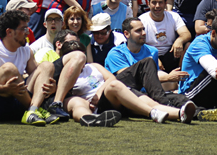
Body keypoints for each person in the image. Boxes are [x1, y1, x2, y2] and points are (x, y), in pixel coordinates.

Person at [57, 39, 195, 126]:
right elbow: (69, 99)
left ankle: (180, 114)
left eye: (82, 56)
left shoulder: (93, 66)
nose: (80, 61)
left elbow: (111, 78)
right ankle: (152, 113)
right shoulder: (65, 76)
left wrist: (99, 92)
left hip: (111, 93)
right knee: (114, 85)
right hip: (101, 105)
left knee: (150, 102)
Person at [0, 9, 59, 125]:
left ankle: (32, 110)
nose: (28, 32)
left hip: (18, 104)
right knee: (9, 69)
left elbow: (37, 78)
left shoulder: (26, 49)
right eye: (23, 29)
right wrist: (5, 89)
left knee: (47, 66)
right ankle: (34, 109)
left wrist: (52, 87)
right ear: (9, 32)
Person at [104, 17, 189, 102]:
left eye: (143, 29)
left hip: (148, 92)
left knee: (181, 98)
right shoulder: (116, 53)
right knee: (147, 62)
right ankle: (164, 103)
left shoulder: (152, 51)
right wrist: (167, 78)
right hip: (126, 94)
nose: (144, 33)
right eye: (138, 31)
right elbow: (128, 79)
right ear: (126, 34)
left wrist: (171, 77)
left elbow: (155, 75)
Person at [139, 0, 190, 72]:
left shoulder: (173, 16)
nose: (157, 6)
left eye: (160, 2)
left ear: (165, 3)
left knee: (188, 45)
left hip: (170, 53)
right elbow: (138, 43)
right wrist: (153, 57)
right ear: (148, 4)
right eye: (154, 2)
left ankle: (182, 75)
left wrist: (179, 40)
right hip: (149, 54)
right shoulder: (141, 20)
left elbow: (186, 33)